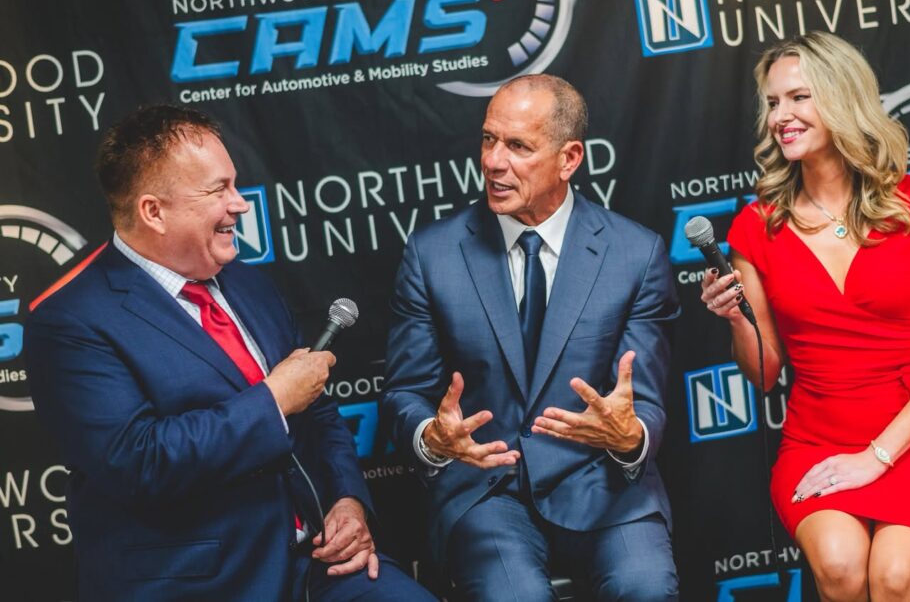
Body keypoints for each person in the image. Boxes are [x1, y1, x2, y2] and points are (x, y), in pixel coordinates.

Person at [26, 105, 435, 602]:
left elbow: (318, 407)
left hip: (321, 564)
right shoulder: (71, 319)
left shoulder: (246, 282)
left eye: (234, 185)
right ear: (153, 212)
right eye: (218, 190)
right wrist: (273, 399)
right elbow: (139, 462)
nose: (240, 205)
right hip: (201, 583)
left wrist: (348, 500)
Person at [700, 32, 910, 601]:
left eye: (799, 98)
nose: (782, 115)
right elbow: (763, 375)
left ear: (841, 98)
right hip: (818, 441)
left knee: (895, 574)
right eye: (774, 102)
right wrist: (736, 320)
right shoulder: (755, 228)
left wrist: (877, 457)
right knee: (839, 567)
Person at [383, 74, 680, 601]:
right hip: (487, 487)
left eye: (518, 146)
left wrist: (628, 436)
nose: (494, 162)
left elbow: (647, 403)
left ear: (569, 159)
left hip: (604, 483)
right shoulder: (433, 255)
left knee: (646, 587)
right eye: (488, 139)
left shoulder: (636, 254)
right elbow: (405, 391)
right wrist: (432, 437)